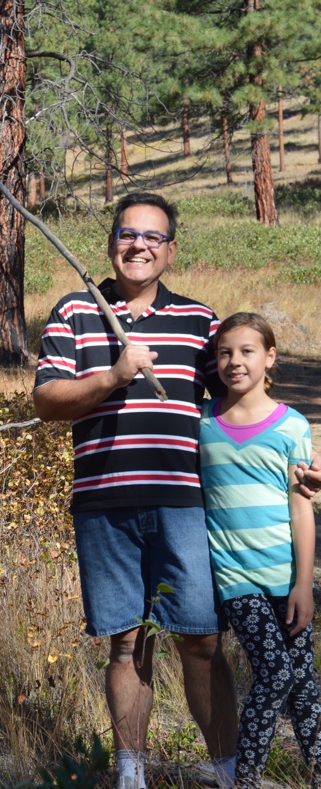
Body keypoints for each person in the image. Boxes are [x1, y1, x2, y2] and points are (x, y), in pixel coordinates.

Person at [34, 192, 239, 788]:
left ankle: (229, 771)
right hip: (104, 505)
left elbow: (233, 405)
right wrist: (115, 375)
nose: (139, 246)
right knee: (127, 645)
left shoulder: (200, 322)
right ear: (111, 242)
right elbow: (47, 401)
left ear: (170, 249)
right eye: (128, 233)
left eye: (152, 237)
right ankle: (132, 776)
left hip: (183, 504)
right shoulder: (74, 311)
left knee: (200, 639)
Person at [199, 312, 321, 789]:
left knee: (305, 686)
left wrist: (303, 585)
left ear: (269, 357)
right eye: (225, 352)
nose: (234, 362)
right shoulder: (203, 423)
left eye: (247, 351)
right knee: (274, 674)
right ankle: (244, 779)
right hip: (236, 578)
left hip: (286, 576)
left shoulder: (291, 426)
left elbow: (301, 509)